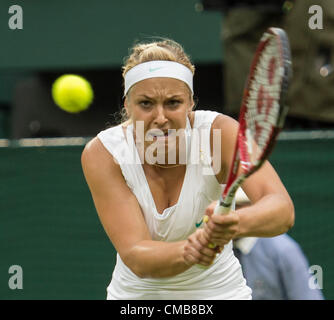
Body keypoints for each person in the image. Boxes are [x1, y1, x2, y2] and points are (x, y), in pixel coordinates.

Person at [81, 38, 295, 300]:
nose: (160, 118)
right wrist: (191, 249)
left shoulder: (219, 134)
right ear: (127, 105)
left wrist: (234, 223)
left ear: (191, 103)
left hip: (221, 294)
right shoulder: (105, 153)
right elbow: (136, 254)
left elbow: (282, 210)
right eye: (146, 104)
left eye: (173, 103)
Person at [233, 189, 324, 300]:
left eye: (238, 206)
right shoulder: (214, 247)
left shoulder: (284, 249)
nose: (232, 213)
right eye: (229, 208)